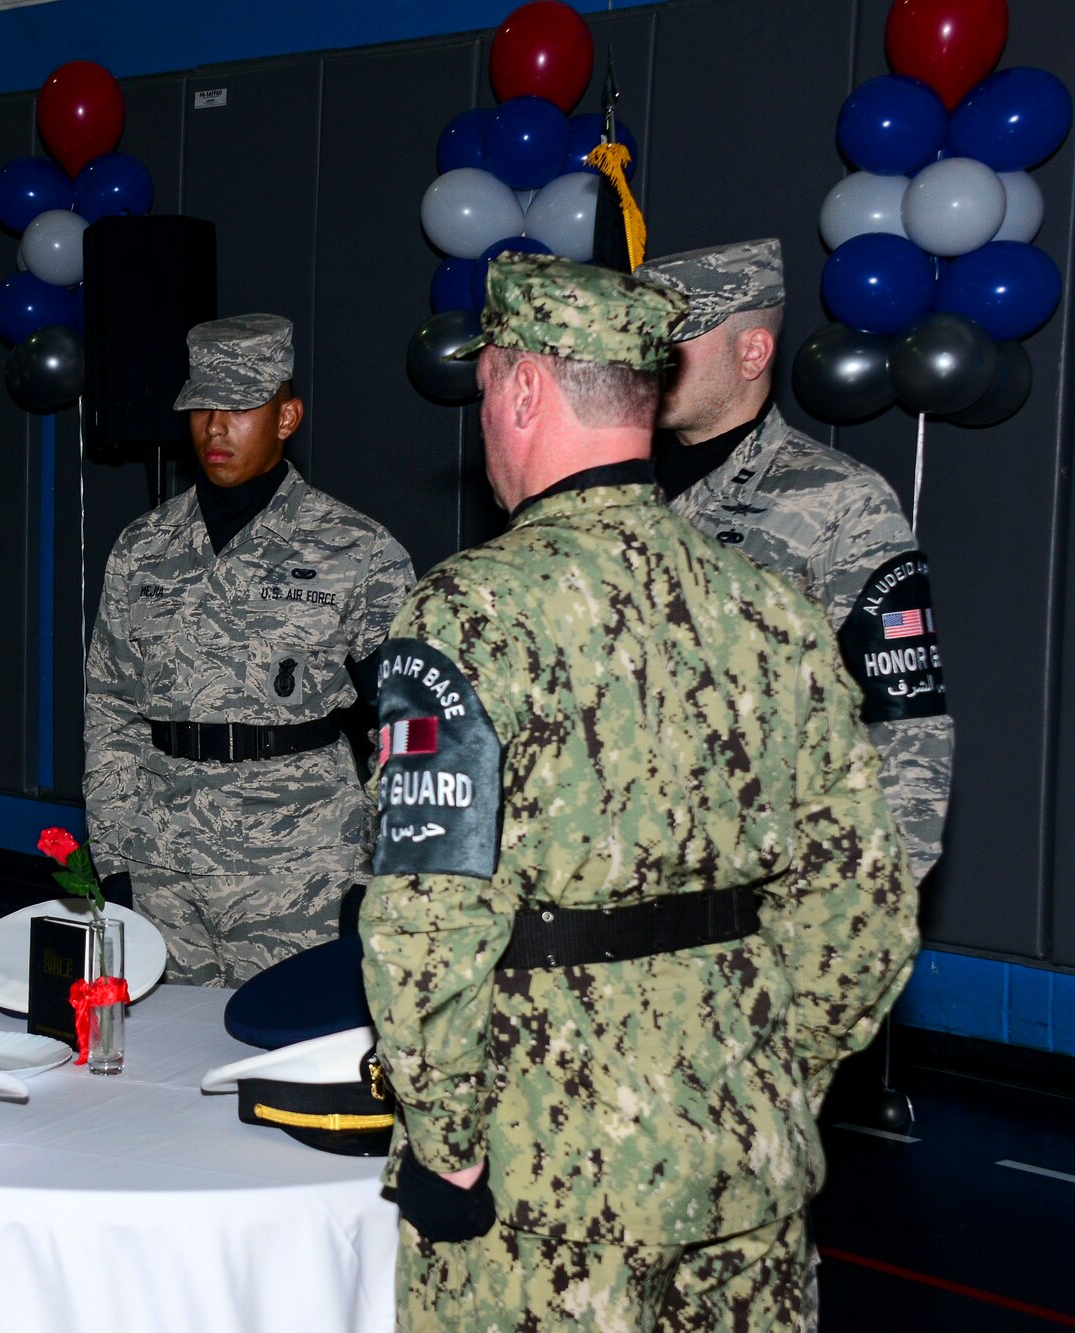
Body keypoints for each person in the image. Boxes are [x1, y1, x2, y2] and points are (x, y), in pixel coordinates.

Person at [358, 253, 919, 1330]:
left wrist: (447, 1143)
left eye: (485, 389)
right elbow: (864, 898)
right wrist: (768, 1072)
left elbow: (425, 921)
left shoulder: (466, 615)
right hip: (745, 1163)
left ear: (520, 389)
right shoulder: (771, 610)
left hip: (544, 1190)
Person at [84, 314, 416, 987]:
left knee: (284, 1070)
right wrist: (115, 858)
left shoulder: (359, 550)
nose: (215, 426)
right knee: (158, 1064)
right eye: (202, 406)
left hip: (298, 873)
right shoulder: (143, 548)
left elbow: (406, 729)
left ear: (287, 416)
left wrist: (372, 873)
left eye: (239, 407)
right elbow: (111, 709)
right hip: (162, 866)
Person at [637, 238, 953, 883]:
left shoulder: (838, 502)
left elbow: (904, 726)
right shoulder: (607, 491)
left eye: (671, 343)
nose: (647, 360)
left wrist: (862, 923)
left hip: (759, 901)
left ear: (751, 351)